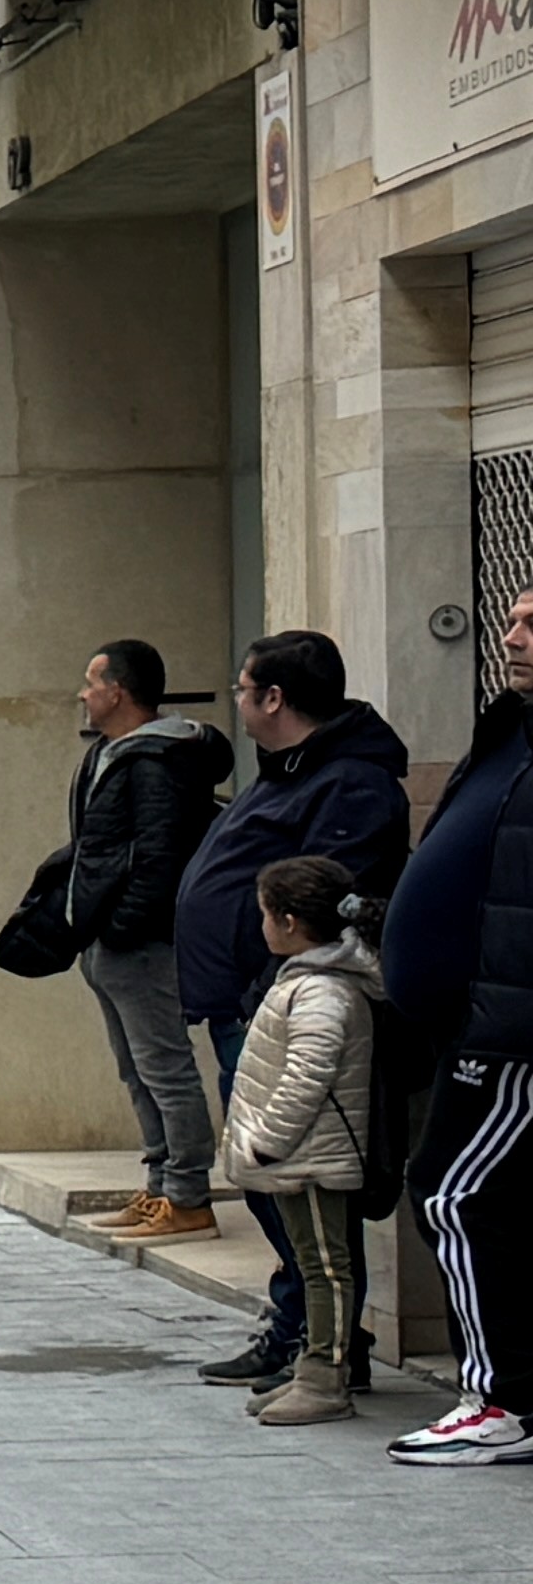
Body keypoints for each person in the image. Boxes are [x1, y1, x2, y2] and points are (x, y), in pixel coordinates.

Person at [180, 631, 416, 1390]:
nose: (239, 701)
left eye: (244, 688)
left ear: (274, 698)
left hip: (285, 1012)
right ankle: (298, 1328)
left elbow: (323, 899)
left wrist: (262, 988)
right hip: (250, 1008)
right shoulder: (288, 772)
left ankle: (318, 1343)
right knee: (265, 1174)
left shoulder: (349, 782)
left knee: (292, 1178)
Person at [387, 585, 533, 1462]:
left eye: (531, 622)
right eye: (512, 619)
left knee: (453, 1190)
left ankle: (497, 1400)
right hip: (481, 1026)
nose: (511, 635)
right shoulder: (511, 728)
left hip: (511, 1036)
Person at [63, 639, 231, 1239]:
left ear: (119, 691)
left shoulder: (156, 760)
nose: (83, 694)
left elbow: (159, 859)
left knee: (164, 1067)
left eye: (91, 681)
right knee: (136, 1069)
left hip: (141, 943)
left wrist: (122, 925)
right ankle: (160, 1184)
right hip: (109, 944)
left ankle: (187, 1195)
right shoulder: (112, 755)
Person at [217, 857, 383, 1428]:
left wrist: (268, 1143)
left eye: (263, 913)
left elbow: (306, 1077)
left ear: (288, 922)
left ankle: (325, 1379)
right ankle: (313, 1369)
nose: (259, 924)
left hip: (310, 1156)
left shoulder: (321, 991)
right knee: (316, 1265)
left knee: (327, 1270)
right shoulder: (307, 979)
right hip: (301, 1153)